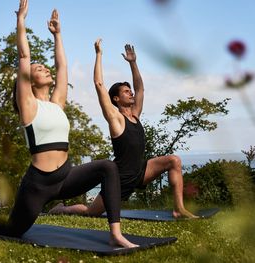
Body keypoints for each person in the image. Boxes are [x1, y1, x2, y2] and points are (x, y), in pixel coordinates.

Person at [0, 1, 137, 248]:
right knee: (13, 230)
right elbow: (24, 56)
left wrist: (57, 35)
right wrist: (21, 21)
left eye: (43, 67)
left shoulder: (57, 103)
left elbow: (62, 66)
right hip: (38, 185)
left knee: (108, 167)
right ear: (28, 81)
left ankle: (115, 233)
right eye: (37, 68)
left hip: (65, 176)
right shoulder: (28, 105)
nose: (43, 68)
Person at [49, 39, 198, 219]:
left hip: (141, 172)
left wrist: (133, 63)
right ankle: (62, 209)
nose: (131, 93)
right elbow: (98, 84)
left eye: (130, 90)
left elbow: (140, 89)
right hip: (119, 179)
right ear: (116, 99)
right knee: (91, 212)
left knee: (174, 160)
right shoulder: (115, 119)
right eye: (126, 92)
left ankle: (178, 209)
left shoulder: (135, 114)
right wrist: (98, 54)